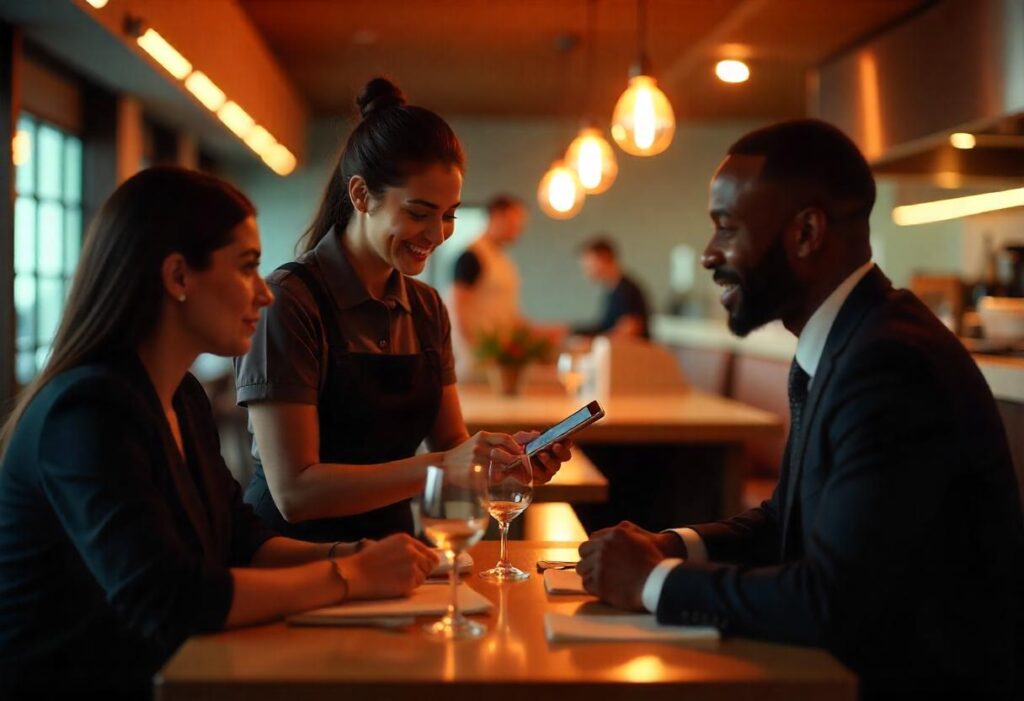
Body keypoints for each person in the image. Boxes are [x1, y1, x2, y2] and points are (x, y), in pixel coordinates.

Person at [576, 119, 1024, 697]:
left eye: (727, 227)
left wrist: (654, 582)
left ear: (807, 232)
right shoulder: (847, 338)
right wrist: (674, 544)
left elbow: (832, 602)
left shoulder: (889, 362)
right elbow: (787, 517)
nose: (711, 254)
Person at [0, 168, 439, 699]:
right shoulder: (87, 411)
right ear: (179, 277)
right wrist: (349, 578)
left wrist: (357, 555)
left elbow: (238, 539)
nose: (266, 295)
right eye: (247, 267)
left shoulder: (181, 396)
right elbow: (169, 599)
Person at [235, 79, 569, 543]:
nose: (437, 233)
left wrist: (501, 465)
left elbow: (451, 446)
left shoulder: (427, 308)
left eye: (449, 214)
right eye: (418, 212)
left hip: (395, 556)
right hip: (290, 562)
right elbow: (295, 493)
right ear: (360, 195)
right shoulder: (289, 302)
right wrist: (446, 464)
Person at [448, 194, 528, 379]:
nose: (518, 230)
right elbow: (456, 308)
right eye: (514, 223)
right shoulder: (472, 256)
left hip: (500, 358)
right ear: (496, 216)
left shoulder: (502, 260)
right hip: (477, 361)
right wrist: (474, 351)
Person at [572, 236, 650, 339]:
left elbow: (628, 331)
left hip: (629, 353)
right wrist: (571, 330)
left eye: (588, 265)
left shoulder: (626, 290)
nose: (585, 271)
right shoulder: (612, 289)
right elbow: (604, 326)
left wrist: (592, 344)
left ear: (604, 259)